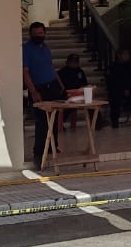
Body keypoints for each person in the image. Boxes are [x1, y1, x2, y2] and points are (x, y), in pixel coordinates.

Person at [22, 22, 65, 160]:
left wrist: (59, 83)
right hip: (39, 88)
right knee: (42, 121)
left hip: (51, 85)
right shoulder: (27, 49)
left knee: (54, 118)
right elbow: (25, 72)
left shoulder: (46, 48)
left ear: (44, 33)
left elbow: (50, 67)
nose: (38, 36)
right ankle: (39, 152)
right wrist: (33, 91)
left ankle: (53, 146)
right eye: (35, 34)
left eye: (40, 33)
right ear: (30, 35)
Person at [56, 54, 94, 131]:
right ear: (68, 62)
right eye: (72, 61)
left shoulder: (80, 71)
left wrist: (82, 92)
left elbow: (84, 84)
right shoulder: (62, 72)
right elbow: (60, 87)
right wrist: (66, 94)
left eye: (76, 62)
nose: (74, 63)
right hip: (66, 95)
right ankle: (58, 124)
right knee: (69, 106)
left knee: (91, 104)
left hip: (79, 95)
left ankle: (96, 123)